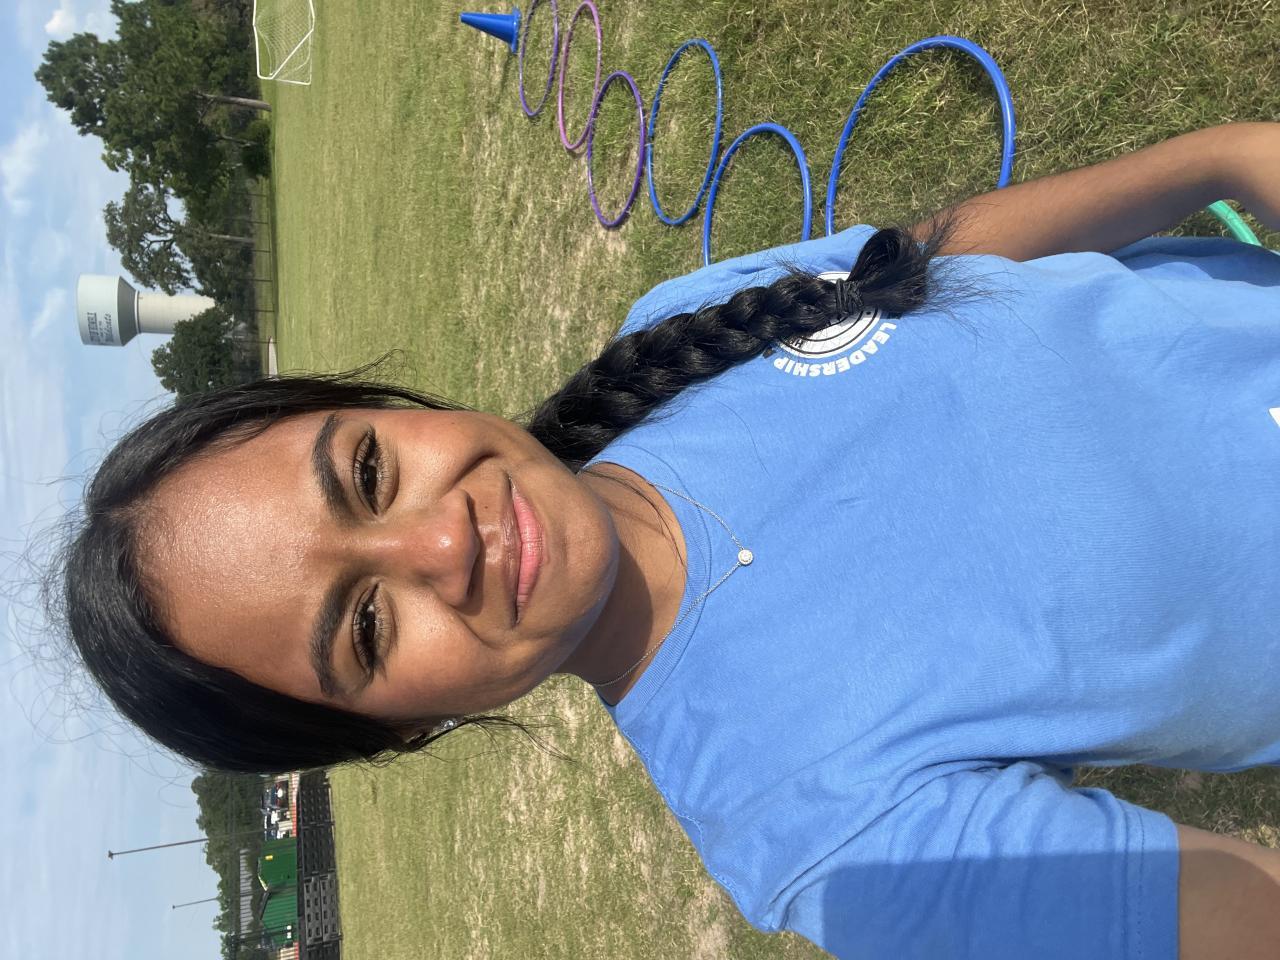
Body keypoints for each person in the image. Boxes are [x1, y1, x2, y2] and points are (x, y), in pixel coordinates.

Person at [53, 122, 1280, 958]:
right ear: (397, 729)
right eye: (366, 626)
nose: (439, 546)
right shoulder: (812, 832)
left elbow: (947, 263)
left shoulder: (677, 327)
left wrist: (1227, 156)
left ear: (382, 407)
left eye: (367, 471)